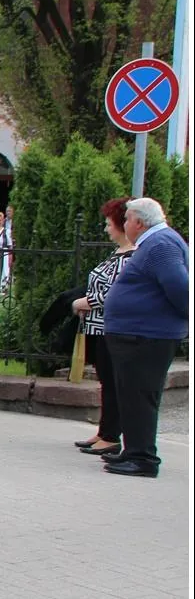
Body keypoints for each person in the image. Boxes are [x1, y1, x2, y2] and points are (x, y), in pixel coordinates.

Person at [99, 197, 188, 479]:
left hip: (146, 336)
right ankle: (133, 450)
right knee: (132, 395)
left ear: (138, 222)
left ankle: (142, 458)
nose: (124, 225)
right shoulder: (155, 242)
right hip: (139, 335)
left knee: (139, 397)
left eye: (126, 220)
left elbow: (180, 287)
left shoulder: (160, 244)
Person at [70, 197, 135, 457]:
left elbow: (115, 294)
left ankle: (111, 435)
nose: (107, 228)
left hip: (110, 327)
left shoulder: (130, 256)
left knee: (112, 382)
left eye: (109, 223)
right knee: (105, 382)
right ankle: (104, 431)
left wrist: (83, 302)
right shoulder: (116, 253)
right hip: (97, 327)